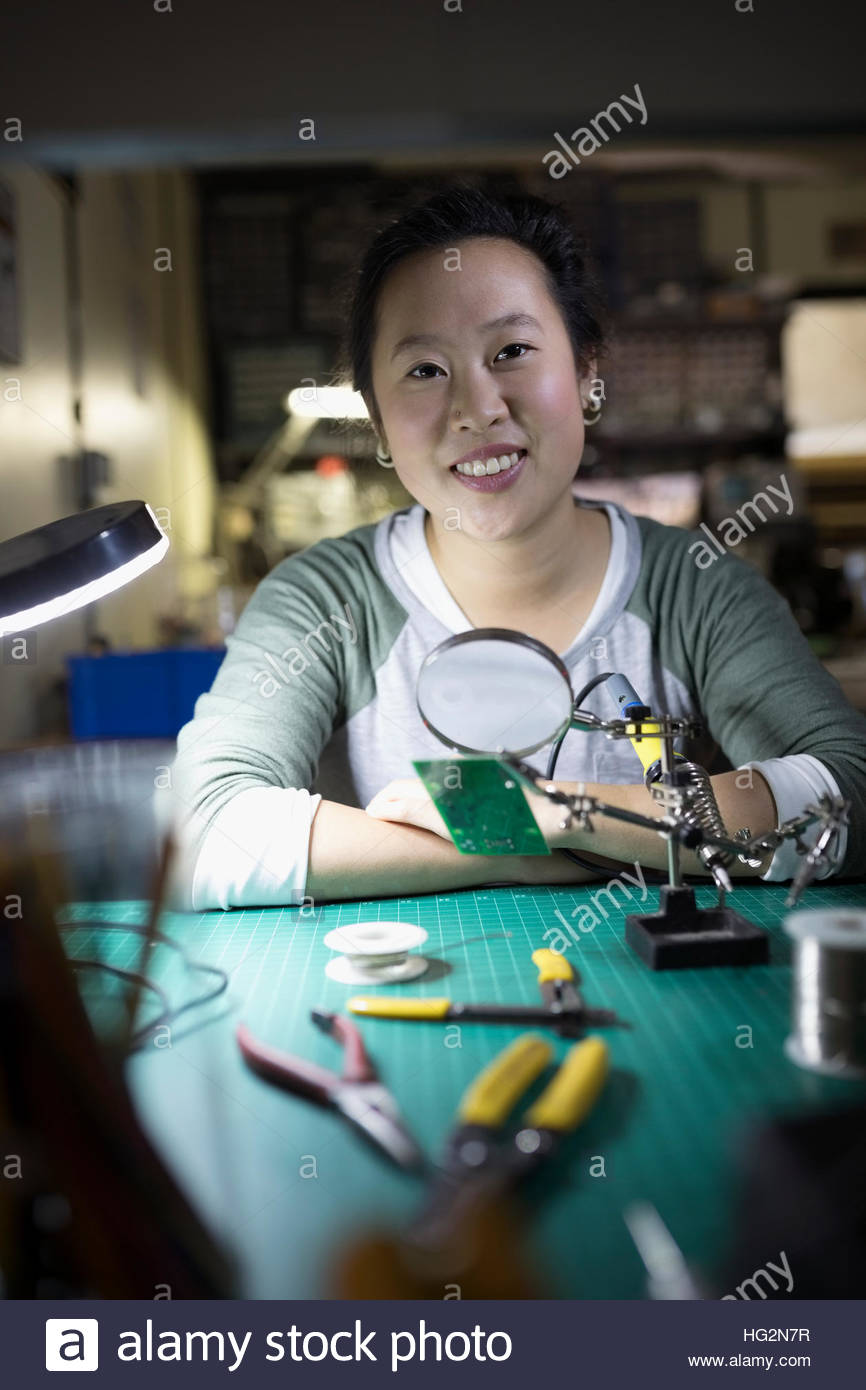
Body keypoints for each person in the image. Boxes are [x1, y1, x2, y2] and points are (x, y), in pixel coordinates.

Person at [169, 184, 866, 911]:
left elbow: (851, 796)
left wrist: (566, 809)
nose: (478, 408)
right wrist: (531, 843)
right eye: (425, 371)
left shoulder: (699, 590)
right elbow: (201, 831)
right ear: (376, 418)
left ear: (586, 371)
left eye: (513, 350)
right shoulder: (320, 601)